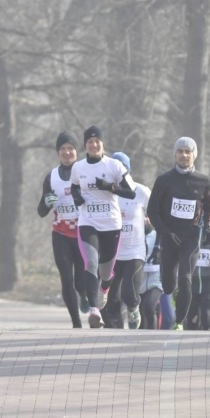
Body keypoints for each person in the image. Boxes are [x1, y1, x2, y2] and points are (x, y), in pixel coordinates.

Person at [70, 125, 137, 328]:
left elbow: (131, 192)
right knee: (90, 263)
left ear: (102, 143)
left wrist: (110, 187)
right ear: (85, 145)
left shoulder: (114, 166)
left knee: (106, 272)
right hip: (88, 222)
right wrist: (77, 198)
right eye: (89, 142)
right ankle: (94, 310)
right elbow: (74, 187)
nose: (93, 144)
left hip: (111, 223)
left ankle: (105, 287)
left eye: (97, 141)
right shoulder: (78, 167)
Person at [146, 136, 210, 330]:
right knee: (168, 284)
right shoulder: (164, 181)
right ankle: (175, 292)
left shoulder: (203, 181)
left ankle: (179, 321)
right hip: (169, 235)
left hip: (191, 236)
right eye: (180, 151)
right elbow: (152, 210)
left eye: (188, 152)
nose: (184, 155)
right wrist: (163, 232)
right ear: (175, 155)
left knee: (186, 277)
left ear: (194, 155)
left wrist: (209, 226)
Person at [37, 131, 89, 328]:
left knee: (80, 282)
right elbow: (41, 211)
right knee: (66, 278)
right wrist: (46, 202)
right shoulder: (51, 177)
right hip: (60, 235)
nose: (67, 152)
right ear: (58, 152)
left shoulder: (84, 172)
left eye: (70, 148)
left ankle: (83, 294)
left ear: (77, 151)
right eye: (63, 149)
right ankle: (76, 323)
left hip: (83, 233)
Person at [99, 152, 150, 329]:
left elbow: (156, 215)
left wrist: (151, 225)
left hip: (135, 250)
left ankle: (134, 309)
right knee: (111, 299)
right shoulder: (105, 193)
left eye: (123, 170)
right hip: (113, 251)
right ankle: (113, 329)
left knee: (129, 294)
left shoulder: (141, 192)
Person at [139, 228, 164, 330]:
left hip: (156, 281)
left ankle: (153, 336)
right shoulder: (136, 236)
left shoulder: (158, 237)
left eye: (148, 216)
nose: (146, 219)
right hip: (138, 282)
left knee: (149, 308)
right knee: (141, 317)